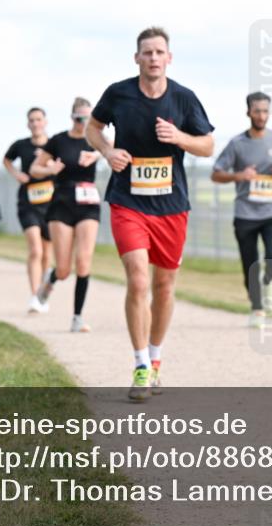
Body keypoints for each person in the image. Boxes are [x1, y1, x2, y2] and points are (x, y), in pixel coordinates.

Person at [85, 26, 215, 402]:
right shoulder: (118, 94)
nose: (154, 58)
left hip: (172, 206)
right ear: (137, 58)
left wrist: (180, 138)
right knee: (139, 280)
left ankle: (156, 359)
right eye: (147, 52)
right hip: (128, 201)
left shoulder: (184, 99)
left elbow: (207, 145)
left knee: (164, 286)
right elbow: (93, 128)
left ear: (169, 58)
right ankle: (140, 364)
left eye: (160, 52)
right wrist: (108, 152)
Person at [211, 92, 272, 327]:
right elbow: (216, 173)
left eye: (265, 111)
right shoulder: (237, 144)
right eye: (257, 110)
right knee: (250, 264)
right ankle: (257, 309)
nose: (261, 115)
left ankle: (267, 283)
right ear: (248, 112)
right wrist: (240, 175)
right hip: (245, 214)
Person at [34, 98, 104, 332]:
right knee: (64, 269)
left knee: (84, 260)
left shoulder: (96, 139)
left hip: (88, 203)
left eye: (87, 118)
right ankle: (50, 280)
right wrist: (50, 169)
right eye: (78, 118)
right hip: (62, 202)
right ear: (72, 117)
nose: (82, 122)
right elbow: (35, 168)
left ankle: (77, 317)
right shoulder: (58, 140)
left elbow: (116, 148)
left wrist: (98, 155)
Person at [5, 107, 55, 313]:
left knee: (46, 254)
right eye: (32, 120)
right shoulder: (21, 145)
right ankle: (34, 296)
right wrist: (17, 175)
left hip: (51, 204)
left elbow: (63, 165)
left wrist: (50, 163)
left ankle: (42, 294)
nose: (35, 123)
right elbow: (7, 160)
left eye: (38, 119)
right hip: (28, 203)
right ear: (28, 124)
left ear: (45, 122)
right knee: (35, 249)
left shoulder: (54, 145)